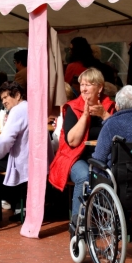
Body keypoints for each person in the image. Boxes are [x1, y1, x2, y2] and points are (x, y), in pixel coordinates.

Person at [49, 68, 115, 221]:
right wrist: (85, 115)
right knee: (85, 176)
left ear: (100, 88)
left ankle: (110, 219)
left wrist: (104, 115)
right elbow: (72, 141)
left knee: (118, 173)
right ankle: (77, 223)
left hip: (102, 157)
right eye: (82, 85)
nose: (83, 89)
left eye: (88, 84)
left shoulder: (110, 107)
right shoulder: (73, 107)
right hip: (75, 157)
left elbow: (117, 133)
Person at [0, 82, 39, 217]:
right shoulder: (31, 107)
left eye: (6, 97)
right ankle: (16, 205)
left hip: (24, 161)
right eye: (2, 98)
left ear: (17, 95)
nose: (3, 101)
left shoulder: (17, 110)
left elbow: (5, 139)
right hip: (35, 159)